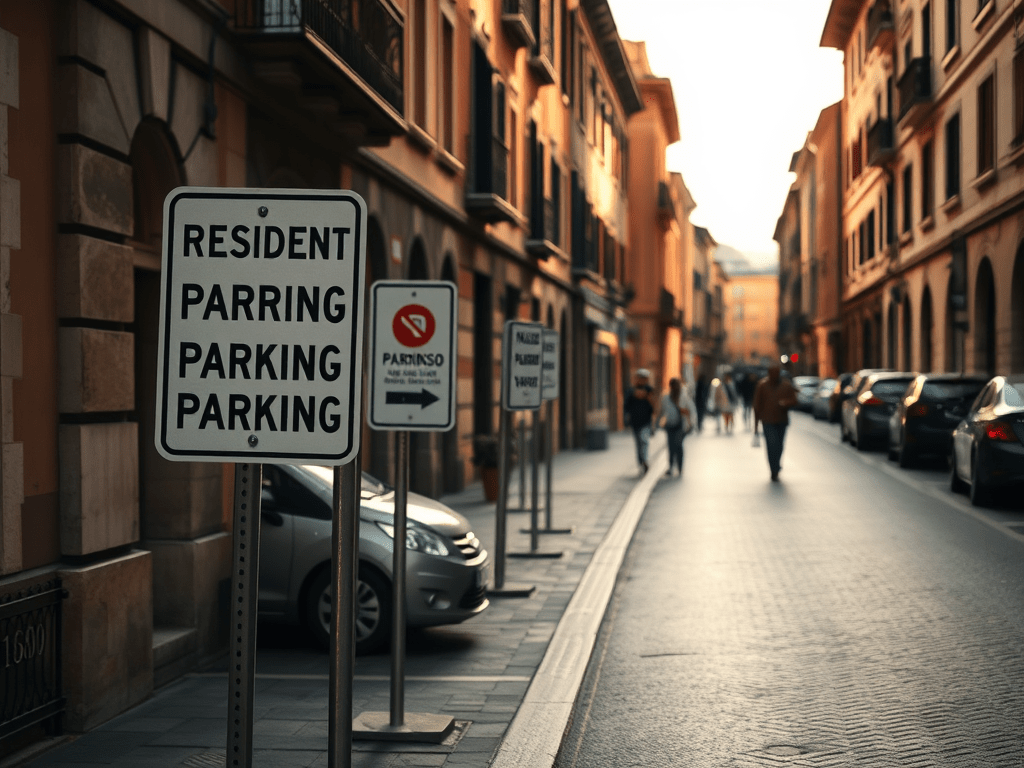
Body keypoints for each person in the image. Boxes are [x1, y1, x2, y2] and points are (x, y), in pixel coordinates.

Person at [752, 365, 799, 481]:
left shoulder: (786, 385)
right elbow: (757, 405)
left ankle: (776, 465)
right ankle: (773, 468)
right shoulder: (762, 385)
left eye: (776, 373)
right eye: (772, 373)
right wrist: (756, 425)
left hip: (782, 420)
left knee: (779, 445)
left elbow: (795, 401)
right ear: (769, 373)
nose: (774, 375)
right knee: (771, 445)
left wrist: (786, 403)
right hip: (767, 421)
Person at [659, 377, 696, 476]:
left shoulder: (684, 397)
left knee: (678, 445)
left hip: (681, 426)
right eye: (673, 386)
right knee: (671, 447)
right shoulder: (666, 398)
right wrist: (660, 422)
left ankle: (680, 467)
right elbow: (662, 411)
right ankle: (671, 467)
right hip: (670, 425)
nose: (675, 388)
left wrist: (691, 422)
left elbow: (691, 410)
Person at [624, 369, 657, 473]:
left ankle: (645, 460)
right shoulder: (631, 391)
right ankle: (641, 462)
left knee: (644, 441)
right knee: (638, 443)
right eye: (641, 378)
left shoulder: (649, 390)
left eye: (644, 378)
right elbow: (627, 406)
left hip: (646, 421)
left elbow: (653, 406)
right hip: (635, 422)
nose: (642, 380)